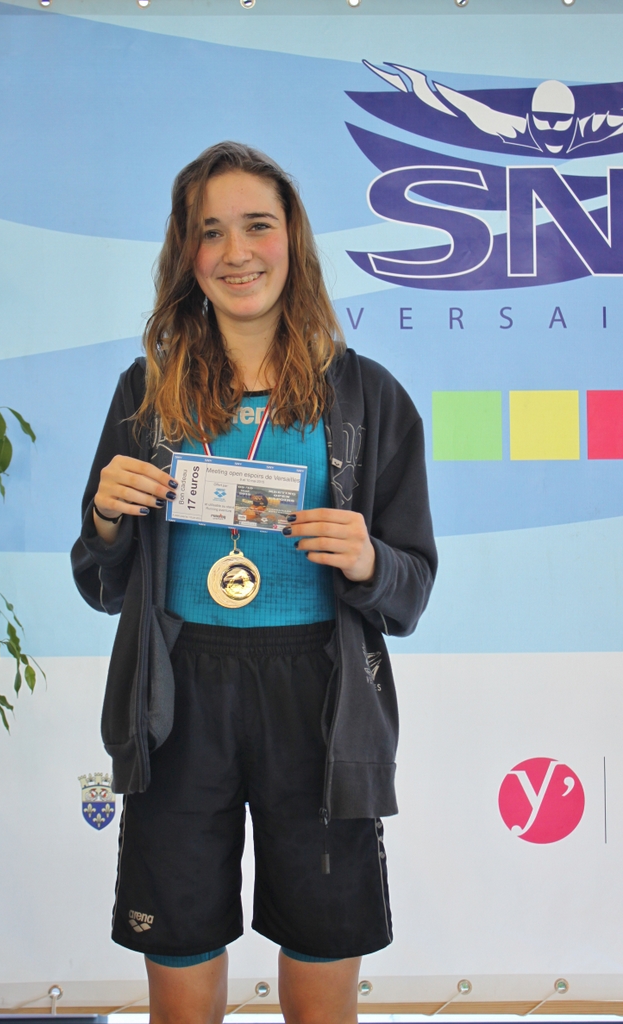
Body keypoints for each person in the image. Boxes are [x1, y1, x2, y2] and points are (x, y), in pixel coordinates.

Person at [71, 141, 437, 1024]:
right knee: (179, 956)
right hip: (176, 694)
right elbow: (101, 583)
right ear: (186, 254)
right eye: (210, 232)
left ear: (292, 240)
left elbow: (410, 588)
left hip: (319, 696)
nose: (235, 252)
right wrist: (106, 519)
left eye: (256, 226)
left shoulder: (368, 397)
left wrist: (367, 560)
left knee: (321, 958)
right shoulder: (145, 393)